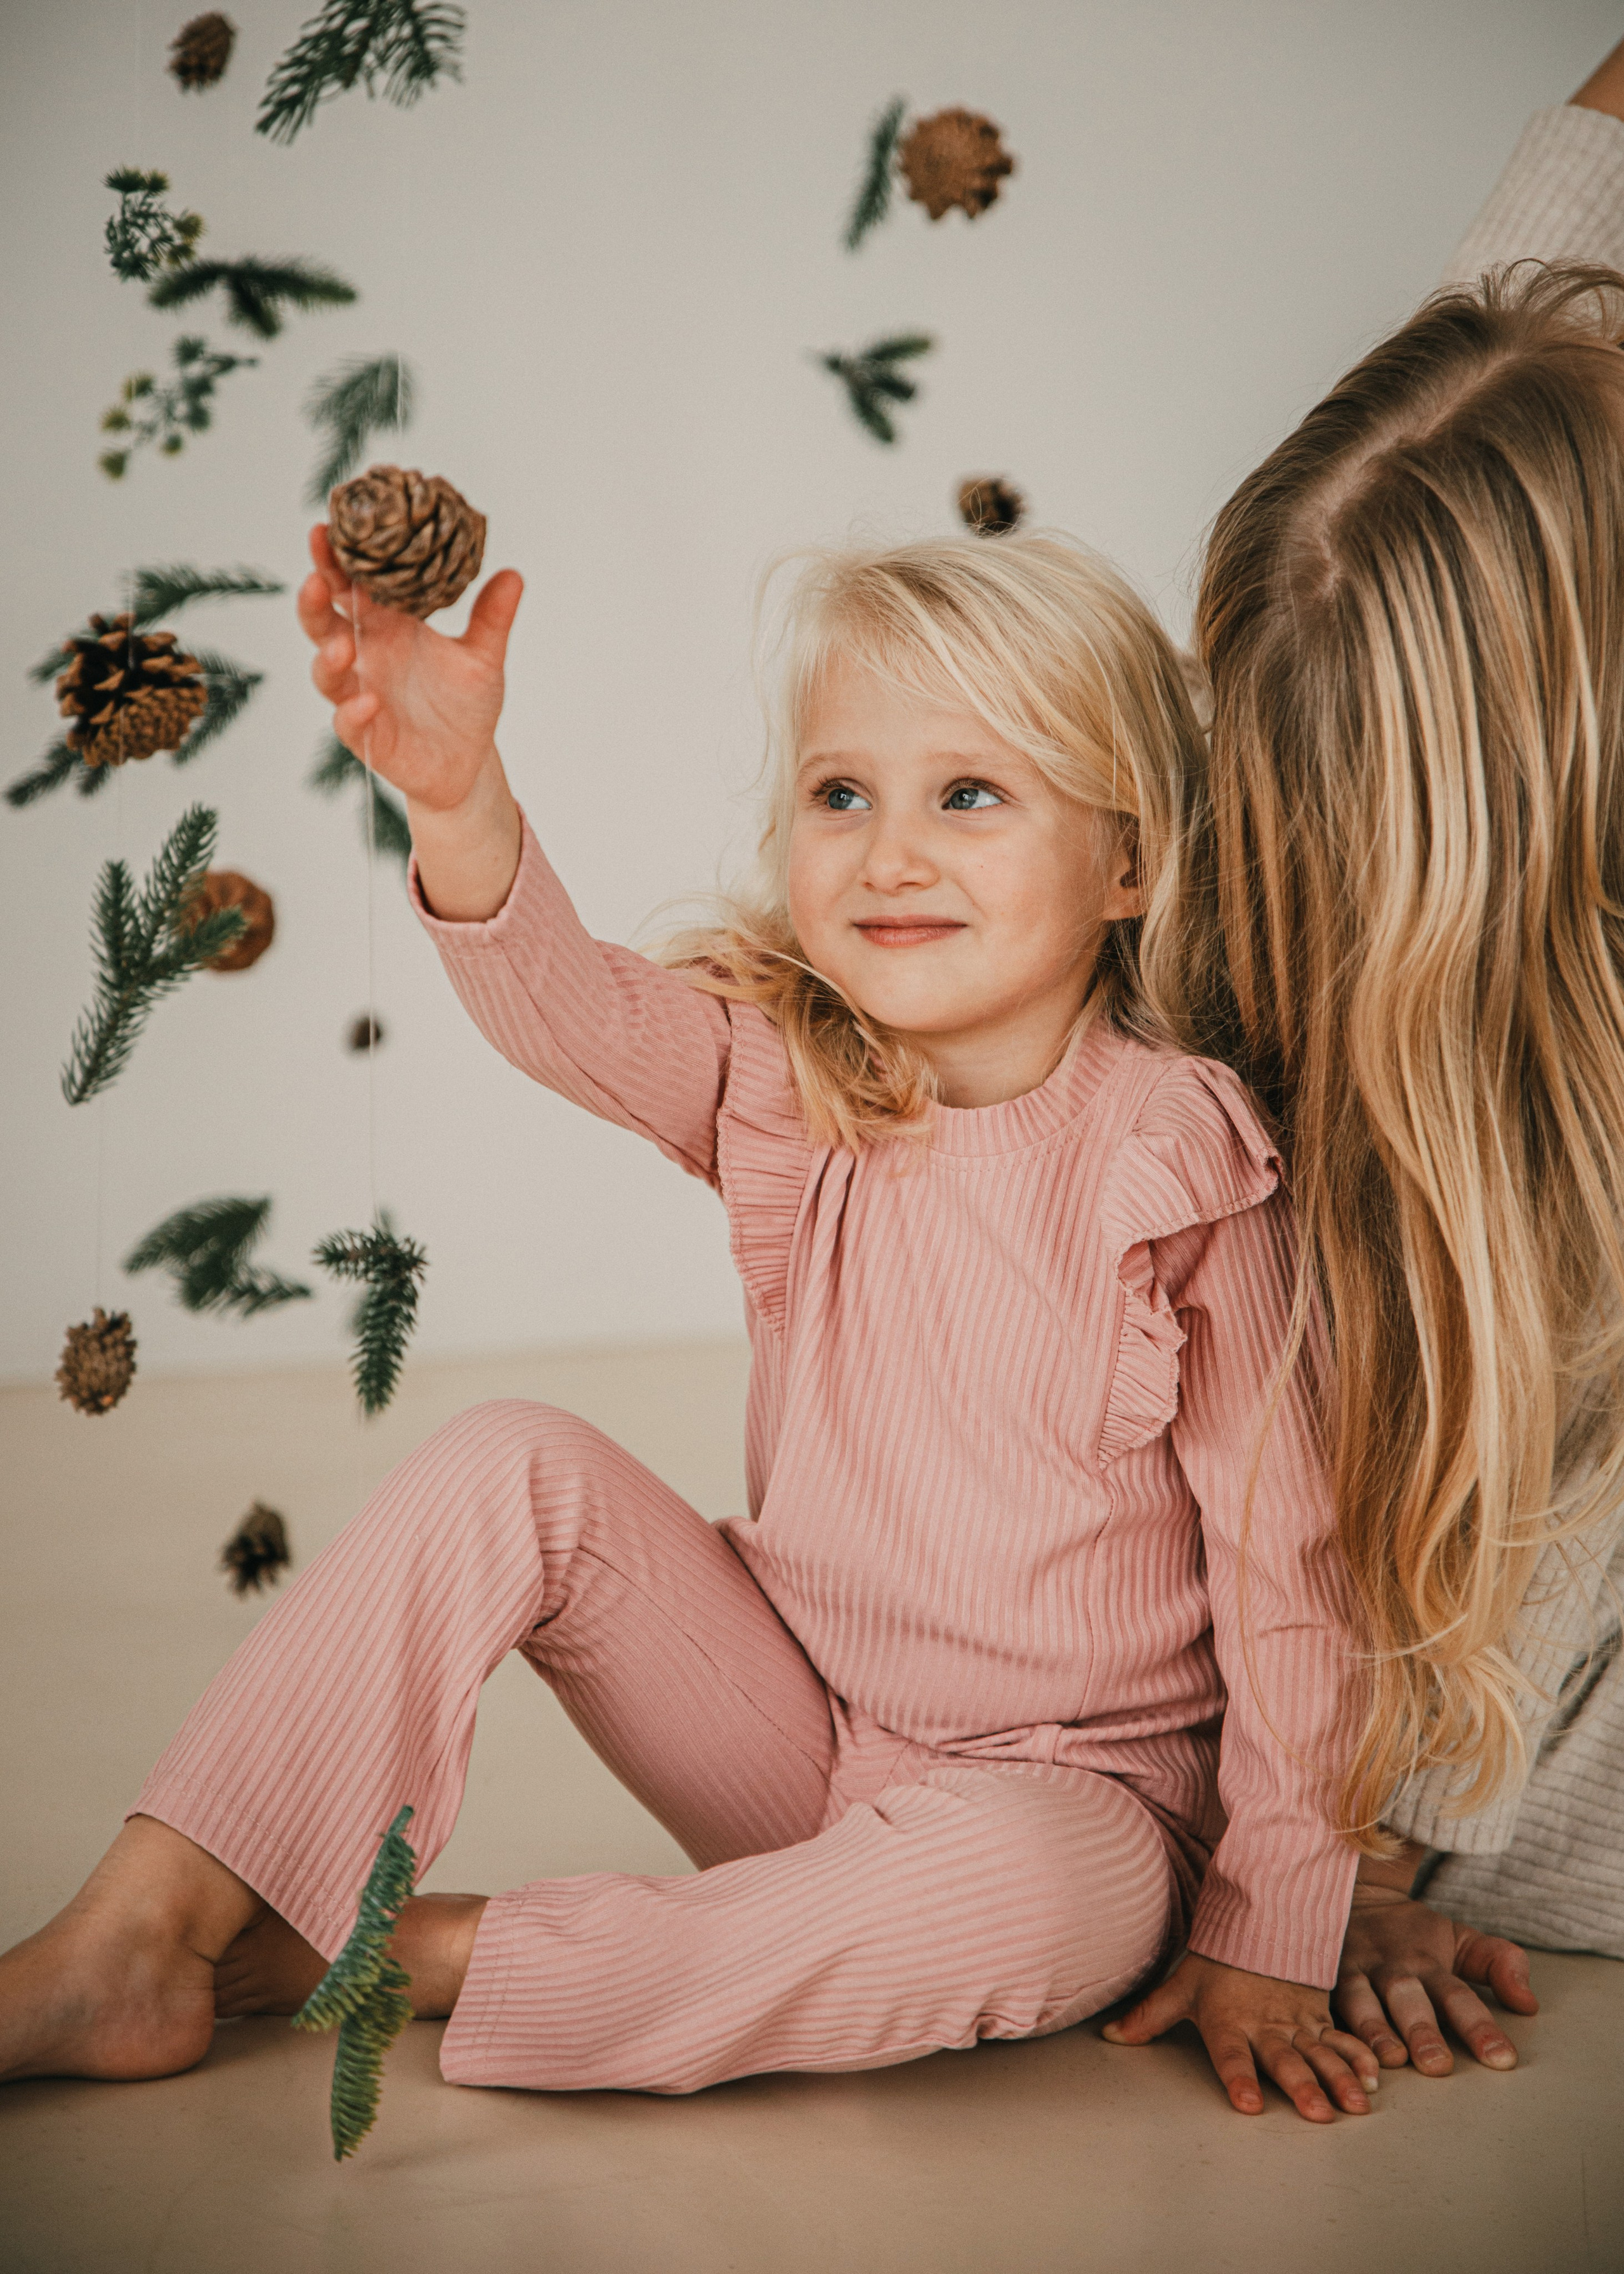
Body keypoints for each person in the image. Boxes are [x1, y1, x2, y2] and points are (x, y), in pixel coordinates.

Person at [0, 531, 1381, 2120]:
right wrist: (456, 797)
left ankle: (420, 1950)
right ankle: (136, 1928)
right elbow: (568, 1011)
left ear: (1125, 863)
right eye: (840, 793)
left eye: (968, 795)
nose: (889, 854)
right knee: (509, 1458)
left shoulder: (1178, 1157)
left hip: (1081, 1811)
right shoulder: (789, 1078)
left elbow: (1291, 1577)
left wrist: (1273, 1922)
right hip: (790, 1728)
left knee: (1005, 1887)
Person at [1104, 46, 1624, 2094]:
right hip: (1421, 1674)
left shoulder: (1531, 390)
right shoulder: (1478, 417)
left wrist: (1356, 1842)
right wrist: (1332, 1853)